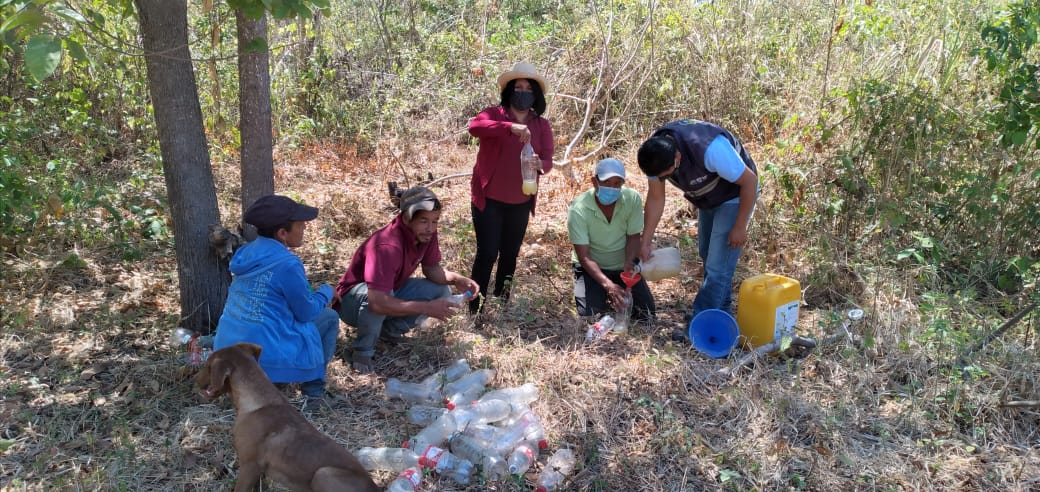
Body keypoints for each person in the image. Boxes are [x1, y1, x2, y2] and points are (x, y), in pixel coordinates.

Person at [636, 119, 758, 340]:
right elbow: (656, 198)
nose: (662, 179)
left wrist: (740, 226)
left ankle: (699, 326)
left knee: (718, 266)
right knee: (707, 255)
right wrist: (645, 241)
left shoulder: (710, 149)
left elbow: (750, 181)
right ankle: (721, 316)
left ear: (678, 157)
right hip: (707, 198)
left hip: (734, 195)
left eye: (665, 175)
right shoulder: (654, 154)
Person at [335, 186, 479, 374]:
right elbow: (377, 302)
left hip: (389, 291)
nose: (431, 228)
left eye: (435, 221)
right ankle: (362, 351)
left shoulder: (426, 235)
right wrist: (427, 307)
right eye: (423, 221)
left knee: (441, 290)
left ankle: (387, 333)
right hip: (350, 303)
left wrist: (457, 279)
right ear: (406, 218)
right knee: (377, 299)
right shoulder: (387, 245)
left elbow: (431, 268)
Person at [214, 194, 340, 406]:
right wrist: (327, 291)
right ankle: (313, 394)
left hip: (228, 348)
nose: (304, 228)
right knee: (328, 317)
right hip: (263, 352)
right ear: (282, 233)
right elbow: (306, 312)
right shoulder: (287, 263)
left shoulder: (245, 252)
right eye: (300, 225)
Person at [467, 61, 554, 313]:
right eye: (518, 87)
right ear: (509, 91)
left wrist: (540, 164)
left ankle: (501, 302)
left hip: (521, 201)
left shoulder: (541, 126)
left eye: (528, 89)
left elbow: (548, 160)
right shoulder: (494, 115)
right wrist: (510, 127)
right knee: (487, 253)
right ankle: (475, 307)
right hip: (489, 199)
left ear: (535, 95)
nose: (523, 92)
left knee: (509, 254)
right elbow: (475, 127)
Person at [567, 158, 656, 324]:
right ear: (594, 182)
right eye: (607, 182)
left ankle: (616, 291)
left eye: (617, 183)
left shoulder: (632, 199)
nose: (612, 188)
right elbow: (584, 257)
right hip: (590, 268)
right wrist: (608, 285)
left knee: (647, 314)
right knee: (590, 316)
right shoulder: (579, 209)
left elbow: (633, 237)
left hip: (621, 265)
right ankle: (604, 292)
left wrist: (629, 265)